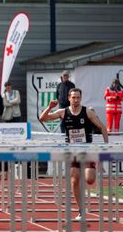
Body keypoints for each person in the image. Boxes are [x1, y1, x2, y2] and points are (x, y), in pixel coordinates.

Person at [39, 88, 109, 220]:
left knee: (90, 179)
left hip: (87, 150)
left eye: (78, 97)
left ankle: (91, 168)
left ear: (80, 98)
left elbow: (102, 128)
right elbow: (43, 119)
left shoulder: (87, 112)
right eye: (74, 97)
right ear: (69, 98)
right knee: (75, 179)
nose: (76, 100)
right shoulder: (63, 112)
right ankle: (81, 210)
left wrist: (105, 150)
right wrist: (49, 107)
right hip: (72, 151)